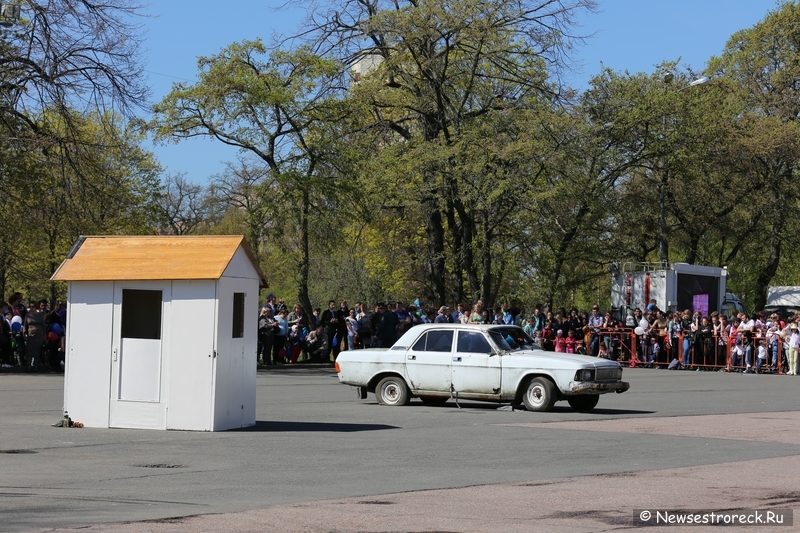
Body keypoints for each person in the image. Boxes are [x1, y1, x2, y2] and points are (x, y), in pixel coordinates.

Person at [23, 299, 47, 367]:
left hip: (39, 334)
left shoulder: (40, 315)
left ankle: (35, 364)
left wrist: (44, 335)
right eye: (30, 306)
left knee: (37, 349)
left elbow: (43, 325)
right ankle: (29, 364)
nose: (31, 308)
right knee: (29, 349)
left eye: (33, 306)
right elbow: (25, 325)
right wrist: (24, 333)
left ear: (35, 307)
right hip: (30, 334)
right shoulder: (28, 315)